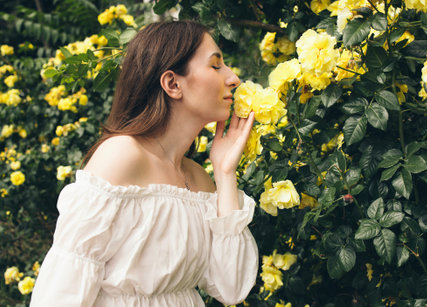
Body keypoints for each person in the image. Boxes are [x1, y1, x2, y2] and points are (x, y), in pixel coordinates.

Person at [30, 20, 258, 306]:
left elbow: (231, 288)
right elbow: (62, 292)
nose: (233, 78)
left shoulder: (198, 179)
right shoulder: (121, 156)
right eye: (216, 65)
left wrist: (225, 174)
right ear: (173, 84)